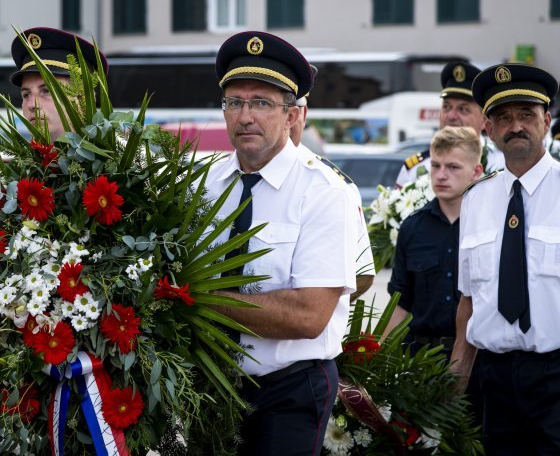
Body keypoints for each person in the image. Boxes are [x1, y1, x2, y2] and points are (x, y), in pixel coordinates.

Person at [206, 31, 357, 454]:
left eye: (261, 103)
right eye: (234, 102)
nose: (245, 116)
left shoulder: (325, 191)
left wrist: (203, 300)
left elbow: (309, 314)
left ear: (292, 115)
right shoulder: (206, 185)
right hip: (211, 384)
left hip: (288, 388)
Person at [450, 63, 560, 454]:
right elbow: (468, 301)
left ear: (546, 121)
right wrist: (456, 381)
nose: (516, 126)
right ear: (489, 129)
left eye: (526, 115)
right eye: (504, 118)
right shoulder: (476, 198)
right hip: (493, 379)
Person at [385, 126, 482, 350]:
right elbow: (400, 304)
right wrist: (379, 360)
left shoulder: (487, 227)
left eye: (453, 167)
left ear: (476, 172)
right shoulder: (412, 228)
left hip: (478, 360)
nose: (441, 175)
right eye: (436, 166)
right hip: (420, 358)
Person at [290, 93, 375, 299]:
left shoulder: (331, 185)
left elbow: (362, 275)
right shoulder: (219, 177)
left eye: (293, 112)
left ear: (302, 114)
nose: (286, 121)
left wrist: (324, 304)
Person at [395, 61, 504, 187]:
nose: (451, 116)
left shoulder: (500, 164)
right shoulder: (416, 169)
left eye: (463, 109)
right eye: (446, 107)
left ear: (484, 121)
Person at [9, 27, 107, 141]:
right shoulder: (19, 158)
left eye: (46, 91)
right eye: (26, 95)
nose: (31, 105)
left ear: (84, 99)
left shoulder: (119, 158)